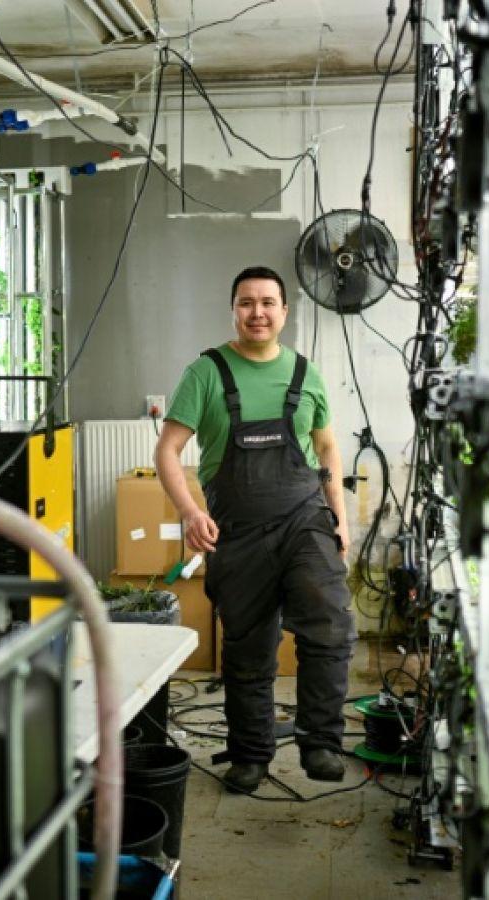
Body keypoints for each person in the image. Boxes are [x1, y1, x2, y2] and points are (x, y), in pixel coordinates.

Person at [154, 264, 356, 793]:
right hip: (236, 529)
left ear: (284, 312)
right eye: (247, 303)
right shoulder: (206, 373)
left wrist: (339, 515)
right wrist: (190, 511)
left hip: (303, 519)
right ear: (234, 311)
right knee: (247, 646)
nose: (258, 312)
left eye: (268, 302)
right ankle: (249, 754)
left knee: (330, 623)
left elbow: (327, 445)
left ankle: (320, 743)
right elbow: (168, 451)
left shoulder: (305, 373)